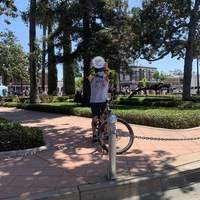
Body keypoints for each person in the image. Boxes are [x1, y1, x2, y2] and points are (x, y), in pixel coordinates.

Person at [87, 56, 113, 142]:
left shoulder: (106, 78)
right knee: (94, 119)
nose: (101, 72)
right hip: (94, 101)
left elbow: (111, 76)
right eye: (99, 70)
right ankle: (94, 134)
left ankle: (106, 132)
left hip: (103, 101)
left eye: (102, 70)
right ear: (96, 71)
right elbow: (87, 75)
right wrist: (90, 67)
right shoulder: (93, 78)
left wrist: (107, 68)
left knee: (106, 118)